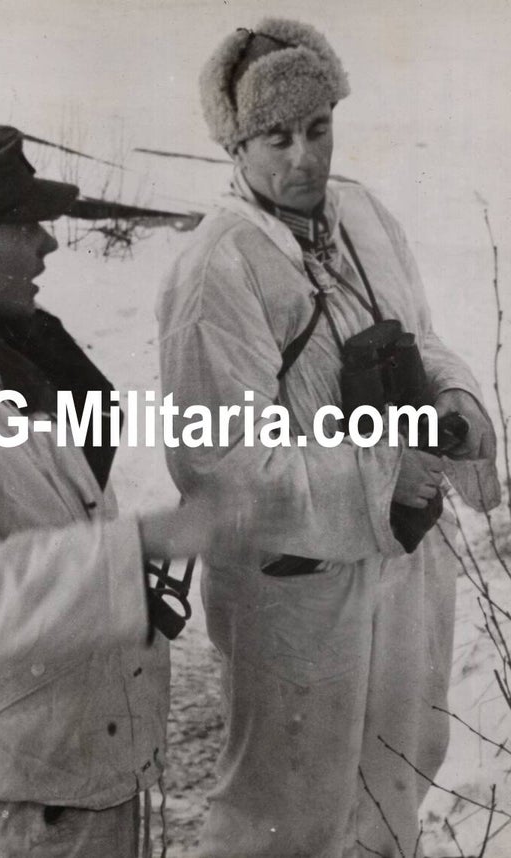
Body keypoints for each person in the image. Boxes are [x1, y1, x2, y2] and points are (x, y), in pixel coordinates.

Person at [157, 18, 499, 858]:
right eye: (277, 137)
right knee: (289, 808)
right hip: (297, 592)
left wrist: (451, 400)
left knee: (396, 775)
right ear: (235, 146)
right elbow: (219, 462)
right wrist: (381, 474)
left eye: (319, 128)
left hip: (403, 561)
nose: (305, 157)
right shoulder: (218, 269)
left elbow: (420, 335)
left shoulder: (367, 219)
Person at [0, 125, 283, 858]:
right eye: (27, 226)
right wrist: (141, 546)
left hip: (60, 788)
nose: (48, 245)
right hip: (12, 821)